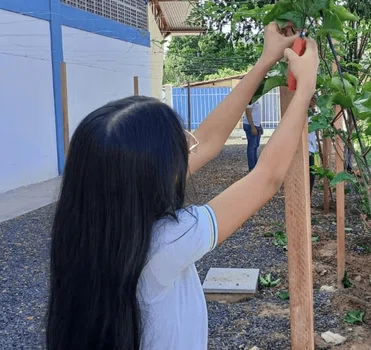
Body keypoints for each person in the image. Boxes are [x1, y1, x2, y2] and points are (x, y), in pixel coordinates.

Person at [46, 23, 319, 350]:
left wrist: (264, 62)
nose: (186, 152)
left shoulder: (93, 223)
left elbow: (206, 141)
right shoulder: (165, 241)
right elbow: (267, 177)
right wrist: (304, 89)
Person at [243, 98, 263, 171]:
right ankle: (252, 167)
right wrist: (253, 127)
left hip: (256, 125)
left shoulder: (256, 98)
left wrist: (259, 126)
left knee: (255, 146)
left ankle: (255, 166)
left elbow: (256, 114)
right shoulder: (251, 98)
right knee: (252, 146)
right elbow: (248, 113)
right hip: (250, 125)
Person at [308, 96, 319, 195]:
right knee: (310, 174)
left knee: (313, 173)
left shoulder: (312, 113)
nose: (314, 102)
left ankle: (309, 195)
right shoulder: (306, 114)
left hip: (312, 148)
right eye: (313, 100)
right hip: (308, 148)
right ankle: (308, 195)